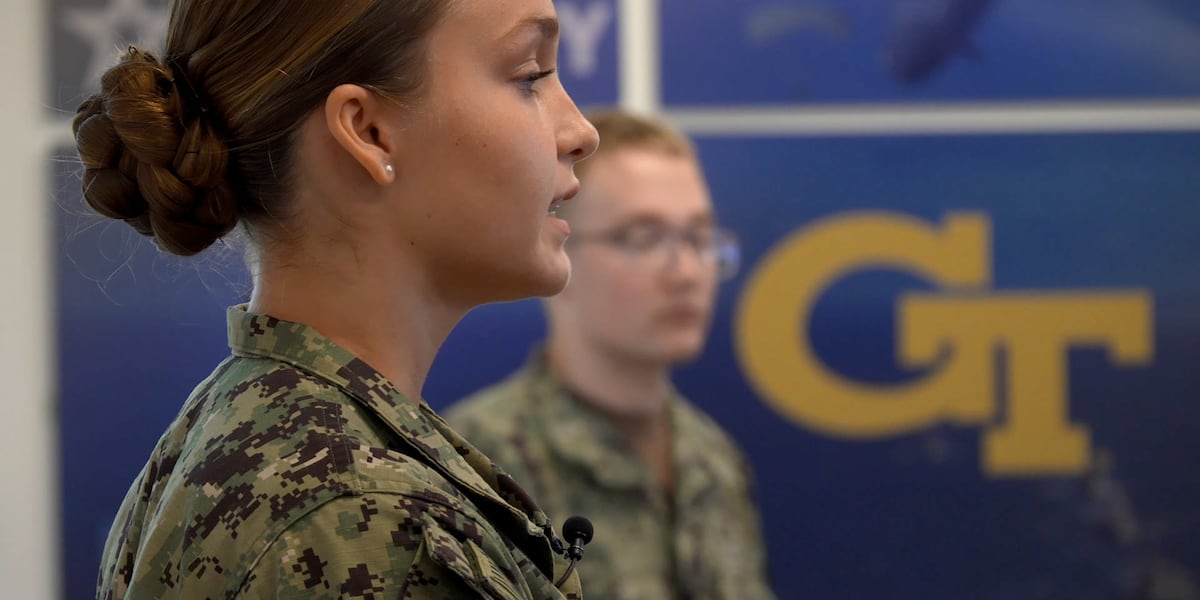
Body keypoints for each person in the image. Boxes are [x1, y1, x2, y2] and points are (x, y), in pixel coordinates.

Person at [72, 0, 599, 597]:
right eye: (530, 76)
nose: (582, 131)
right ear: (369, 133)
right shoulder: (363, 524)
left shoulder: (240, 426)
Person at [446, 109, 776, 600]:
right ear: (560, 249)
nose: (686, 272)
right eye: (644, 238)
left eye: (698, 237)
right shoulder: (479, 464)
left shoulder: (715, 460)